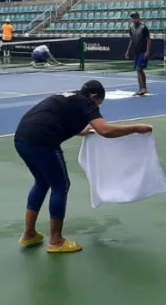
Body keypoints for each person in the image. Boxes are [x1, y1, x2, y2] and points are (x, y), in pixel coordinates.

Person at [14, 80, 153, 252]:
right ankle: (56, 241)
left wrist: (81, 131)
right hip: (42, 142)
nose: (97, 107)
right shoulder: (86, 103)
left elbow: (55, 116)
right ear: (94, 97)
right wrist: (136, 128)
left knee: (42, 183)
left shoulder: (71, 96)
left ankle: (29, 234)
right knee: (61, 186)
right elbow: (105, 130)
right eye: (98, 103)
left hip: (21, 139)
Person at [125, 12, 151, 96]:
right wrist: (128, 50)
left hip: (143, 51)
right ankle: (140, 88)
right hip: (136, 51)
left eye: (135, 18)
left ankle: (144, 88)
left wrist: (147, 51)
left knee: (140, 68)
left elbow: (148, 39)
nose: (134, 19)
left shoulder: (143, 28)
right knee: (137, 70)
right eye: (133, 18)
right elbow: (132, 39)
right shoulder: (131, 28)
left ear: (139, 18)